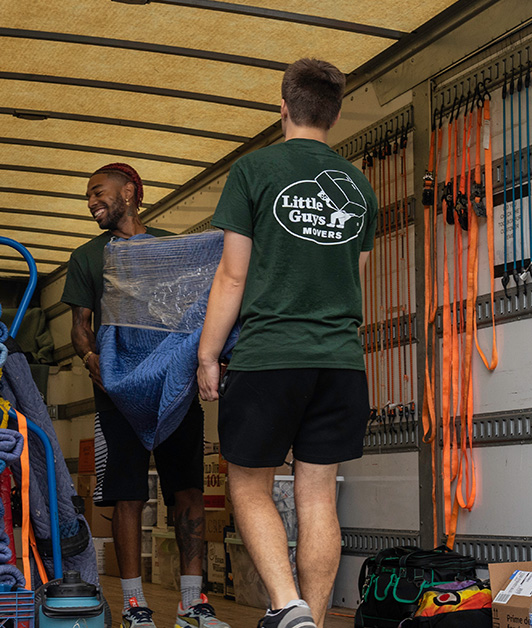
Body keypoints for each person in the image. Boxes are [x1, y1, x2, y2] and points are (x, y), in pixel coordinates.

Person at [196, 59, 377, 628]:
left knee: (248, 485)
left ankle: (288, 606)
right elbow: (358, 272)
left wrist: (206, 352)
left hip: (269, 357)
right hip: (340, 363)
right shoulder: (360, 186)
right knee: (318, 496)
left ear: (282, 106)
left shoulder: (254, 172)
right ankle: (313, 623)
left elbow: (231, 276)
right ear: (336, 113)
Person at [62, 163, 227, 628]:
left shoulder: (175, 247)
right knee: (128, 494)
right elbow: (80, 327)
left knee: (189, 490)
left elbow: (207, 306)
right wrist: (93, 361)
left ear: (130, 192)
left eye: (98, 192)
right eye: (89, 196)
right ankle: (135, 605)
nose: (92, 202)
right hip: (118, 393)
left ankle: (192, 604)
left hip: (174, 387)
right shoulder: (87, 256)